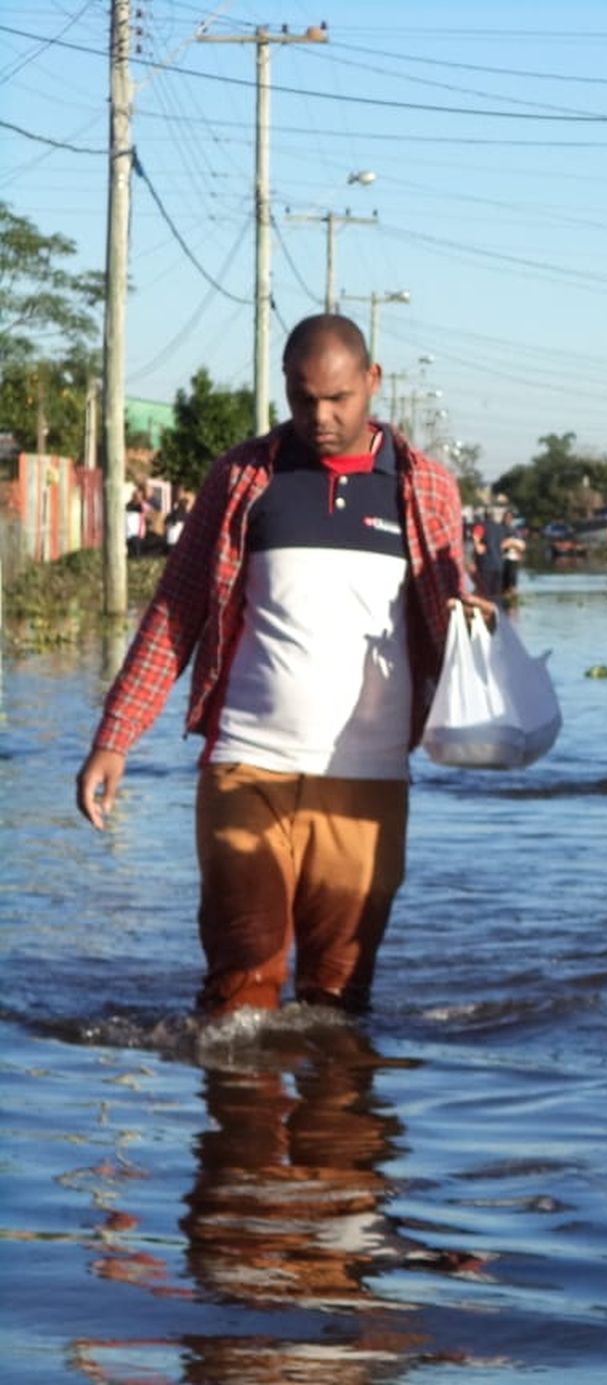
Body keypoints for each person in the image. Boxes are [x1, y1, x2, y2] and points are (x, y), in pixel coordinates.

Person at [74, 313, 481, 1018]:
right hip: (246, 765)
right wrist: (115, 737)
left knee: (338, 998)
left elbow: (453, 623)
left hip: (368, 779)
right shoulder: (243, 477)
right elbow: (178, 607)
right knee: (241, 986)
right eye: (302, 399)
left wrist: (486, 658)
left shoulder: (425, 489)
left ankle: (337, 1128)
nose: (319, 417)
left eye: (338, 399)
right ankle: (242, 1124)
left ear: (372, 383)